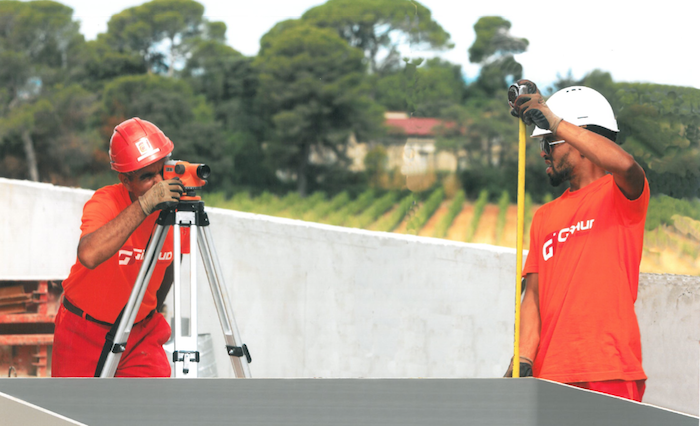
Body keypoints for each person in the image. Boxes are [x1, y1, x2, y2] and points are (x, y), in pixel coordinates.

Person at [505, 84, 649, 402]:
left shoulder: (621, 194)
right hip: (549, 377)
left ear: (578, 138)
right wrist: (523, 360)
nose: (543, 151)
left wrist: (554, 121)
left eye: (549, 142)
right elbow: (534, 297)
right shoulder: (545, 216)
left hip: (608, 369)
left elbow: (625, 165)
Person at [52, 117, 185, 377]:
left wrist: (152, 311)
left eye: (163, 170)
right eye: (147, 177)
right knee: (73, 415)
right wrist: (145, 205)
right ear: (126, 180)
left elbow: (171, 260)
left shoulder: (178, 209)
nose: (159, 183)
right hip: (83, 330)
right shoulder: (106, 201)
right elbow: (89, 254)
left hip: (141, 334)